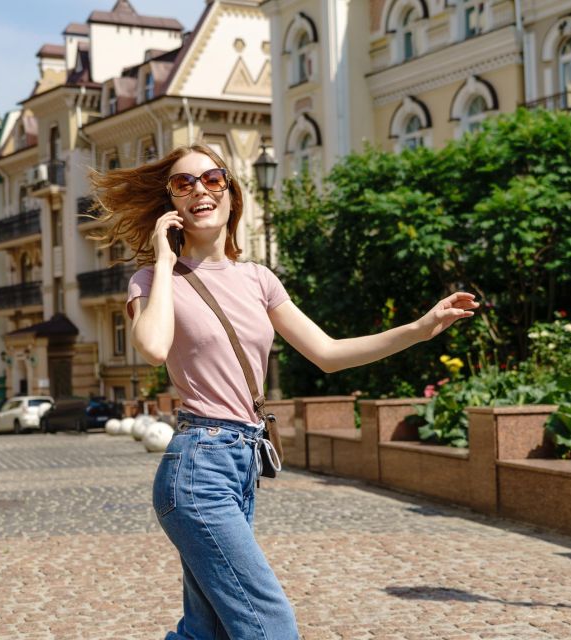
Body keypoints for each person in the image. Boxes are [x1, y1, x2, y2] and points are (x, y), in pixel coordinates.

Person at [90, 145, 477, 640]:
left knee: (205, 632)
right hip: (197, 470)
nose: (199, 190)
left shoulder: (258, 279)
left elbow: (329, 353)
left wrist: (419, 329)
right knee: (269, 625)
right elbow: (152, 346)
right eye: (183, 185)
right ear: (172, 206)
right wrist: (164, 261)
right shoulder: (154, 280)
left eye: (212, 179)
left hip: (241, 463)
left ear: (231, 195)